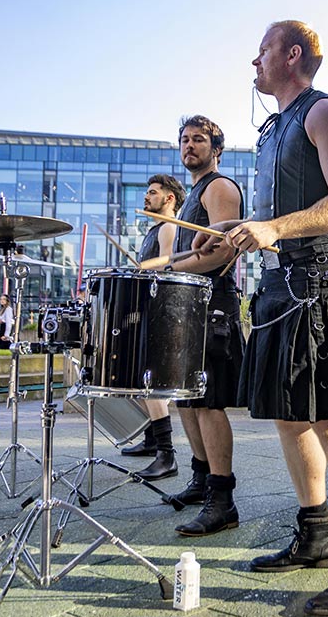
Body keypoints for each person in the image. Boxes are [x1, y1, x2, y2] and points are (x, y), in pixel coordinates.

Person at [196, 21, 328, 615]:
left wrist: (274, 228)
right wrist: (243, 231)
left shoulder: (327, 112)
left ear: (292, 55)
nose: (253, 61)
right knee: (289, 416)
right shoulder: (274, 128)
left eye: (261, 50)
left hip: (323, 280)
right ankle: (316, 535)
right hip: (281, 286)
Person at [165, 115, 246, 537]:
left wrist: (172, 264)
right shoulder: (193, 194)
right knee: (187, 400)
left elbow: (222, 253)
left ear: (216, 148)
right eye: (184, 139)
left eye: (198, 139)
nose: (189, 145)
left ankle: (223, 498)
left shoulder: (219, 188)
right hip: (187, 305)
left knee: (210, 402)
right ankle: (200, 478)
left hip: (212, 303)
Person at [120, 174, 186, 483]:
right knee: (142, 379)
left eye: (152, 192)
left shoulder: (170, 227)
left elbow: (169, 264)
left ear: (169, 199)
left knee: (153, 382)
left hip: (162, 311)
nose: (147, 197)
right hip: (149, 307)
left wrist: (143, 271)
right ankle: (150, 441)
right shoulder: (155, 229)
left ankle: (166, 454)